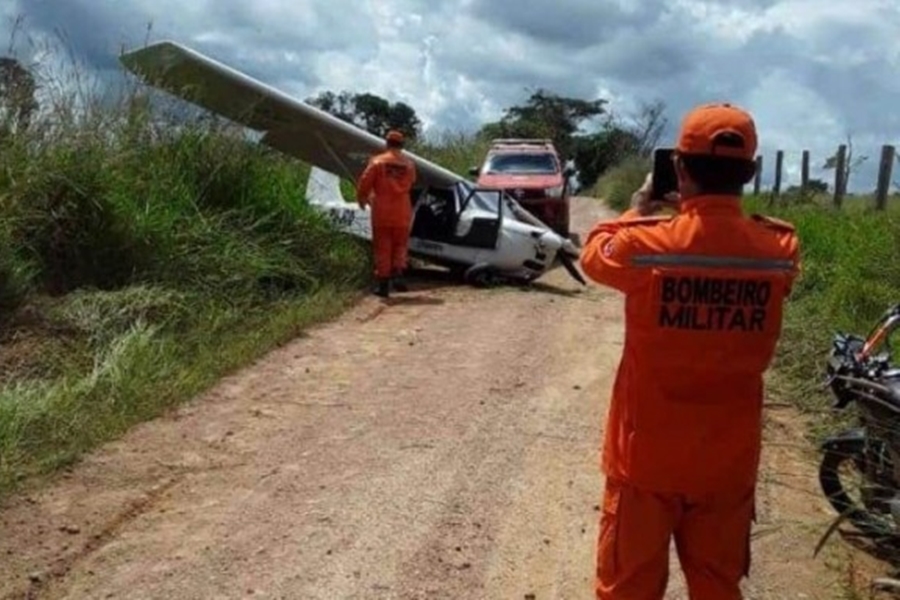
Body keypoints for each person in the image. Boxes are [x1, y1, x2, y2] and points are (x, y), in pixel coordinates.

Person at [579, 102, 801, 599]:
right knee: (717, 587)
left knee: (628, 588)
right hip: (727, 463)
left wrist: (640, 208)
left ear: (678, 167)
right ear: (751, 171)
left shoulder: (645, 244)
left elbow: (595, 254)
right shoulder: (779, 250)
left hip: (646, 462)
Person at [355, 129, 418, 298]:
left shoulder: (377, 162)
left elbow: (364, 182)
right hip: (402, 211)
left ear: (387, 144)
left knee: (383, 247)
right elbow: (412, 183)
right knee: (400, 245)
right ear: (402, 146)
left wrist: (361, 198)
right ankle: (398, 272)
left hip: (382, 210)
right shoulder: (410, 165)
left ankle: (383, 286)